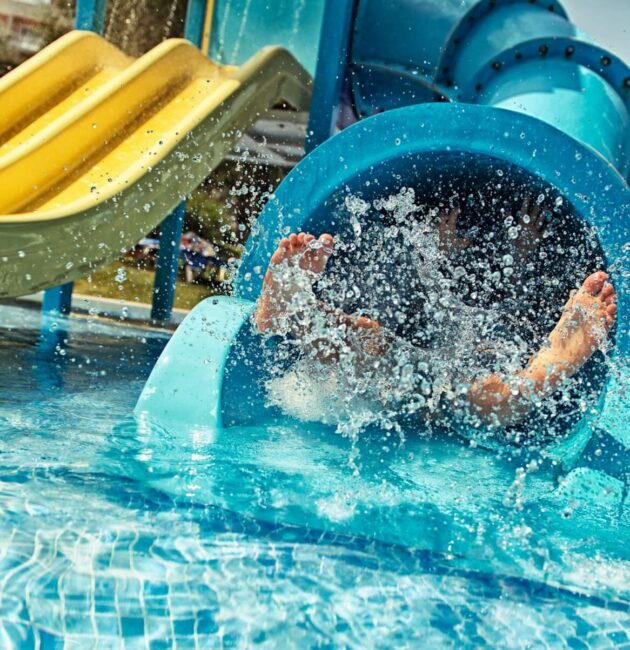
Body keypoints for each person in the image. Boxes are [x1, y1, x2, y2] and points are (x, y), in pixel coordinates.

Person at [254, 209, 617, 430]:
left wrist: (521, 254)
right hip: (433, 374)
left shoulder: (496, 290)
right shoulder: (431, 287)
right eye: (438, 224)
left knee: (488, 391)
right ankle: (298, 311)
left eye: (458, 229)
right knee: (374, 339)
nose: (449, 230)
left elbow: (516, 296)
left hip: (468, 374)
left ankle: (297, 314)